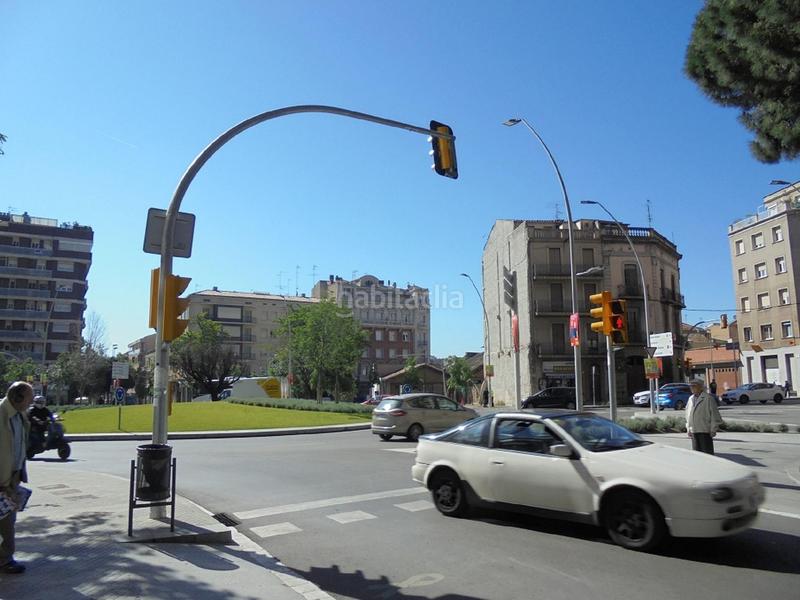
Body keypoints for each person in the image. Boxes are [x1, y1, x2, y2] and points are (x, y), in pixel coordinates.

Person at [0, 381, 33, 574]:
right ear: (17, 398)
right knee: (5, 522)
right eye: (28, 398)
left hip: (12, 477)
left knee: (7, 520)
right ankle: (5, 559)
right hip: (2, 479)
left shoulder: (20, 416)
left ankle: (5, 556)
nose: (30, 403)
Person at [685, 378, 724, 455]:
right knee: (697, 454)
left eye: (694, 386)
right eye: (691, 386)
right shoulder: (690, 398)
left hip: (705, 430)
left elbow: (714, 415)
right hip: (694, 430)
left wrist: (713, 429)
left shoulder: (708, 398)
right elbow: (687, 414)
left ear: (700, 387)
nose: (691, 388)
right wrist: (688, 428)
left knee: (707, 453)